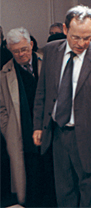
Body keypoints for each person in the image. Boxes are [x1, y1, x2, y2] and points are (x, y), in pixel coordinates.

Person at [33, 5, 91, 207]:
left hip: (90, 139)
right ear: (65, 29)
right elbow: (42, 92)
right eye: (75, 37)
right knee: (64, 193)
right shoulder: (51, 51)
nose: (81, 43)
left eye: (87, 37)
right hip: (58, 134)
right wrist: (38, 125)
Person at [0, 27, 56, 207]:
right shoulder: (4, 73)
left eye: (24, 49)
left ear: (31, 45)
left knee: (53, 174)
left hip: (50, 129)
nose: (21, 54)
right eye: (16, 51)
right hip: (22, 132)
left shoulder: (47, 62)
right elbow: (1, 108)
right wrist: (7, 127)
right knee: (30, 178)